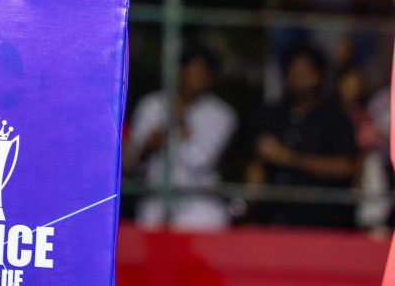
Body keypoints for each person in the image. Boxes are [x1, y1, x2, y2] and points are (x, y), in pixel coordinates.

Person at [123, 47, 238, 230]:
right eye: (191, 71)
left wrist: (180, 123)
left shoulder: (221, 114)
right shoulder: (152, 104)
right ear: (179, 71)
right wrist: (149, 146)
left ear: (211, 78)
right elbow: (129, 163)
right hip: (154, 201)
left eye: (201, 73)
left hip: (200, 206)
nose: (194, 78)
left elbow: (200, 161)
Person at [247, 44, 359, 229]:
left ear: (319, 74)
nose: (299, 74)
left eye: (306, 69)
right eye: (294, 68)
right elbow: (257, 166)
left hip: (320, 222)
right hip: (271, 218)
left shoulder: (336, 118)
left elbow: (345, 167)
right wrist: (248, 206)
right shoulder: (272, 114)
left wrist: (290, 158)